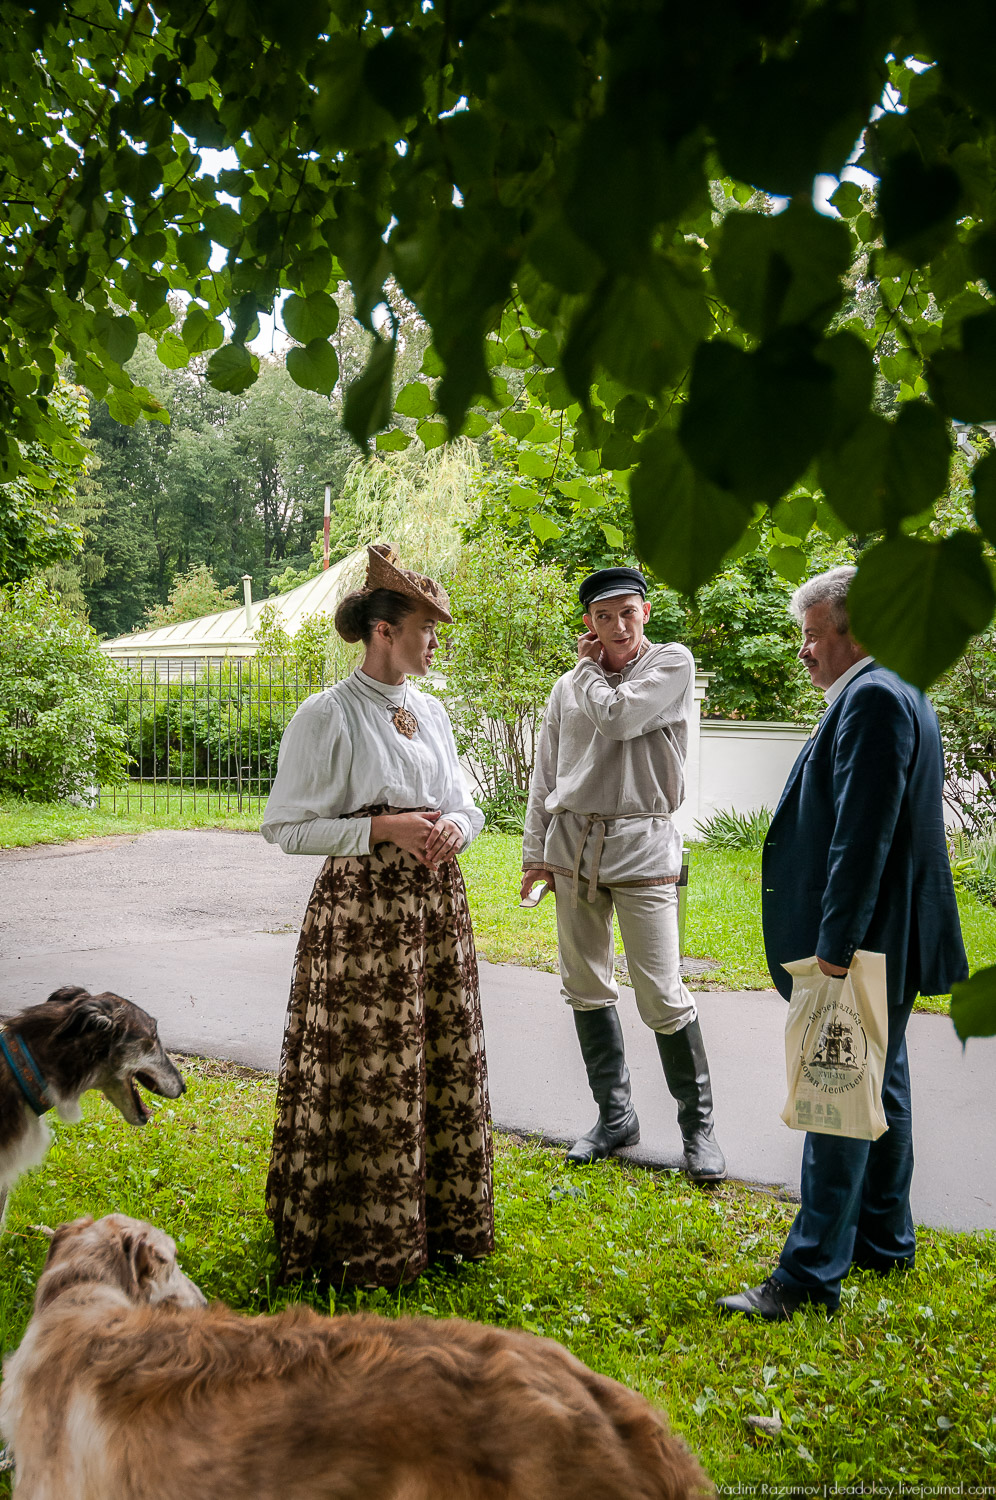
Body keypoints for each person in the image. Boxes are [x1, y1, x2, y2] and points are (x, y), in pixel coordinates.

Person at [718, 566, 968, 1321]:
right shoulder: (896, 689)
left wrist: (834, 948)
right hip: (885, 936)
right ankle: (886, 1243)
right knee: (880, 1084)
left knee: (834, 1101)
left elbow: (862, 840)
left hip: (863, 941)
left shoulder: (873, 698)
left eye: (810, 634)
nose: (802, 651)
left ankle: (807, 1277)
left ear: (851, 632)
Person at [261, 542, 493, 1288]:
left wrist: (460, 825)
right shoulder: (326, 714)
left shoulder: (431, 710)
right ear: (383, 630)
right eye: (426, 627)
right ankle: (355, 1236)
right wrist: (380, 829)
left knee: (435, 1060)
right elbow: (285, 828)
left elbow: (465, 797)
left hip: (433, 910)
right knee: (365, 1068)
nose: (434, 641)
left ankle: (441, 1225)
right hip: (360, 923)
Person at [521, 566, 726, 1183]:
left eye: (627, 613)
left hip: (642, 843)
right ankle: (616, 1117)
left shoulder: (671, 666)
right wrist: (536, 855)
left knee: (661, 992)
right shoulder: (567, 688)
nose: (617, 626)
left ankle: (699, 1131)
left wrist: (586, 670)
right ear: (588, 622)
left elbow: (616, 717)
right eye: (603, 616)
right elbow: (546, 771)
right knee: (584, 985)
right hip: (575, 845)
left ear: (644, 610)